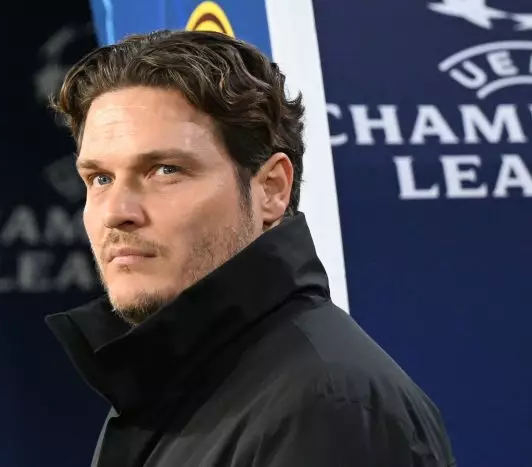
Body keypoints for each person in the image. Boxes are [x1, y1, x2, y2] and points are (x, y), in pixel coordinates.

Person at [45, 29, 457, 467]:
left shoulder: (327, 408)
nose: (116, 212)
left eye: (165, 170)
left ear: (272, 189)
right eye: (100, 179)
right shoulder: (172, 384)